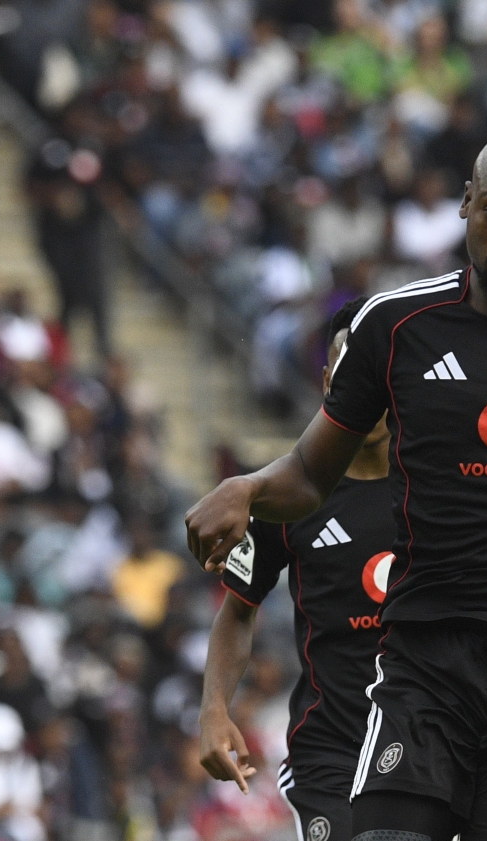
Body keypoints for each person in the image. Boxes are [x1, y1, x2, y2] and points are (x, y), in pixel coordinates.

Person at [185, 129, 487, 840]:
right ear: (466, 205)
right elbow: (308, 474)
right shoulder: (396, 326)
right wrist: (246, 488)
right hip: (424, 659)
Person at [198, 297, 394, 841]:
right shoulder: (281, 496)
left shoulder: (440, 489)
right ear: (329, 379)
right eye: (349, 372)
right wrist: (214, 708)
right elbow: (238, 611)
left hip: (429, 750)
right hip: (328, 755)